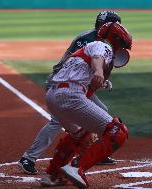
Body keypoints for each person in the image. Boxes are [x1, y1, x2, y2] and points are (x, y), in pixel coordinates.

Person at [18, 11, 121, 175]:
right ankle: (28, 158)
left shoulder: (101, 40)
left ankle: (96, 151)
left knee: (102, 111)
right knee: (57, 121)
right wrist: (97, 73)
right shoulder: (88, 38)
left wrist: (100, 78)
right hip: (61, 82)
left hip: (76, 85)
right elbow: (74, 64)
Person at [40, 22, 132, 188]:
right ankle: (76, 168)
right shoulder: (102, 45)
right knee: (117, 132)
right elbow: (98, 57)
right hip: (70, 95)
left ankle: (51, 175)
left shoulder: (85, 50)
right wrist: (98, 70)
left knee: (79, 134)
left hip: (53, 96)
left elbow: (88, 91)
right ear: (116, 40)